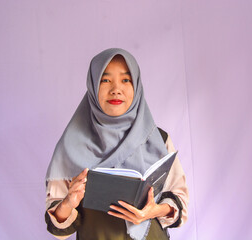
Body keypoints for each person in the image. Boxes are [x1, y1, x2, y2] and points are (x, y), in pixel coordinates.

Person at [45, 48, 189, 240]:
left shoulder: (158, 138)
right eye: (105, 80)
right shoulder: (70, 146)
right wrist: (69, 203)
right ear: (93, 85)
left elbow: (179, 202)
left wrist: (154, 211)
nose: (116, 89)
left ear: (136, 86)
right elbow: (57, 228)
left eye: (125, 80)